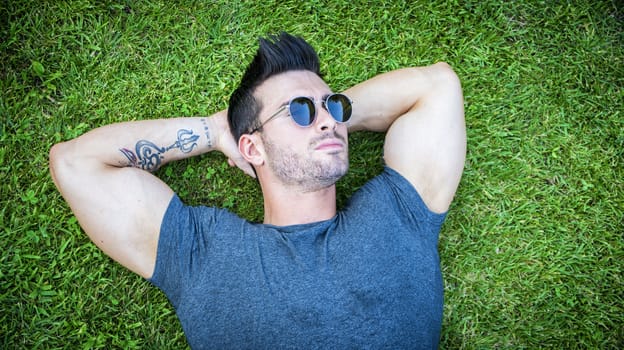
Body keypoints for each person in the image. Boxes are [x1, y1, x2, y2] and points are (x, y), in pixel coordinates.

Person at [49, 32, 465, 349]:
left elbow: (437, 86)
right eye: (299, 110)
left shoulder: (398, 216)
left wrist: (325, 122)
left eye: (332, 105)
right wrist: (215, 130)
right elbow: (75, 163)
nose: (327, 120)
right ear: (251, 147)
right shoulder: (203, 256)